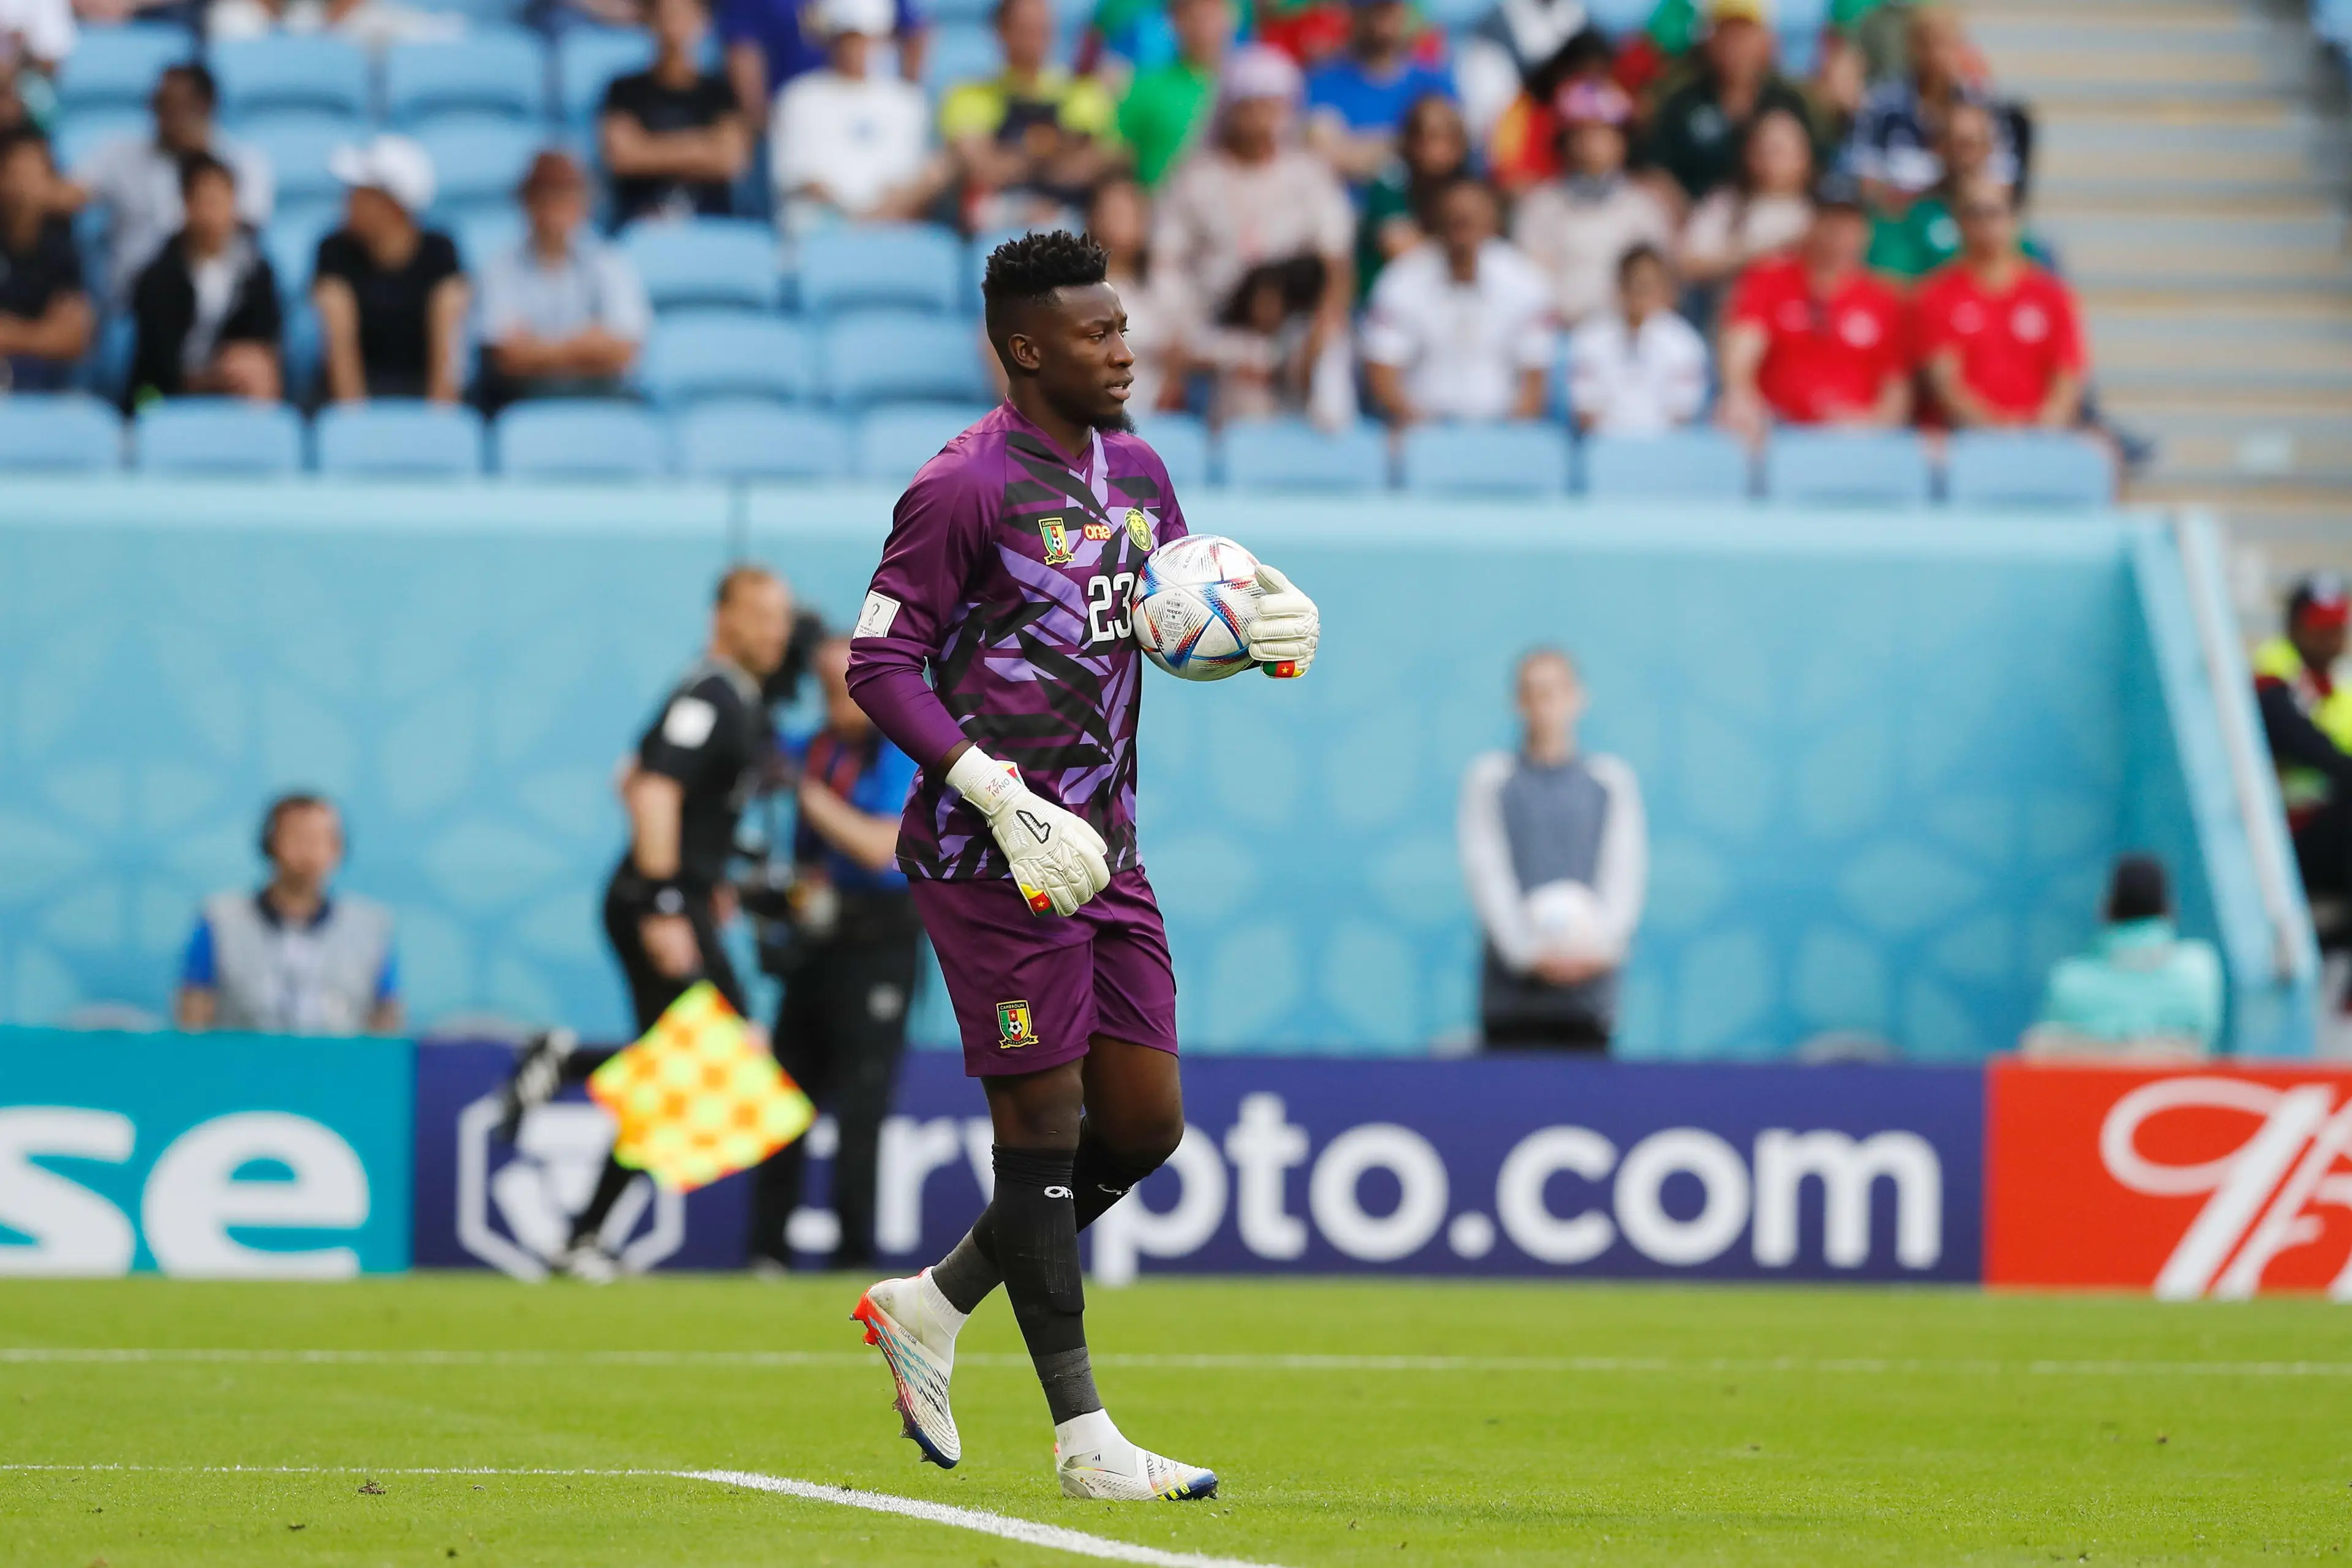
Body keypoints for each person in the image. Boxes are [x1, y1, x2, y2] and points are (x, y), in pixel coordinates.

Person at [842, 230, 1321, 1498]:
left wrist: (1255, 628)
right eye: (1099, 333)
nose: (1125, 349)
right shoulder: (962, 486)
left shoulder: (1140, 470)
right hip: (987, 846)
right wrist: (996, 793)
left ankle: (935, 1306)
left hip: (1105, 841)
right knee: (1044, 1126)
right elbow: (879, 664)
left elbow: (1159, 618)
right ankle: (1083, 1437)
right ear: (1024, 348)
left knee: (1144, 1124)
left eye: (1122, 326)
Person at [519, 565, 797, 1281]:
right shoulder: (710, 692)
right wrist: (667, 897)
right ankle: (566, 1073)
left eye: (781, 616)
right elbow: (651, 788)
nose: (776, 630)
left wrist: (707, 872)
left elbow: (634, 776)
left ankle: (582, 1223)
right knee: (714, 1060)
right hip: (659, 901)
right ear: (724, 618)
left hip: (679, 894)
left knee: (684, 1067)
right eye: (762, 615)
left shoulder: (725, 694)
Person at [745, 636, 922, 1273]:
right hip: (814, 945)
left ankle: (852, 1258)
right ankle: (765, 1253)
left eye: (846, 684)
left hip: (881, 943)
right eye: (824, 686)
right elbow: (750, 764)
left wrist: (806, 794)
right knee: (782, 1098)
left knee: (861, 1107)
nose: (833, 698)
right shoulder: (810, 746)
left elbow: (881, 848)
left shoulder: (904, 750)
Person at [1152, 46, 1356, 428]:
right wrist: (1183, 335)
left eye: (1272, 105)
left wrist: (1323, 326)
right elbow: (1168, 264)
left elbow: (1336, 263)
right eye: (1251, 105)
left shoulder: (1310, 175)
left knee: (1332, 358)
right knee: (1244, 402)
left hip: (1296, 324)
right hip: (1217, 326)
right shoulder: (1194, 178)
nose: (1262, 117)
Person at [1458, 647, 1646, 1050]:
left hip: (1589, 995)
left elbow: (1624, 873)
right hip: (1511, 998)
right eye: (1533, 692)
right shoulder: (1490, 779)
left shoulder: (1610, 780)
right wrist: (1527, 953)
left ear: (1578, 698)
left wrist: (1598, 948)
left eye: (1556, 691)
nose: (1545, 705)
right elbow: (1487, 872)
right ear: (1518, 702)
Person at [175, 793, 402, 1036]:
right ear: (270, 844)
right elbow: (193, 1021)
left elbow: (386, 1025)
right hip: (242, 1069)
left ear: (338, 849)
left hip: (338, 1070)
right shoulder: (220, 921)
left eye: (321, 839)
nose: (309, 850)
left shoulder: (372, 928)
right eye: (298, 838)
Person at [1716, 174, 1909, 443]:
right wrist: (1740, 395)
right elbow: (1743, 346)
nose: (1838, 231)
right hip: (1780, 432)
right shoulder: (1769, 280)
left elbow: (1896, 387)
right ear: (1812, 222)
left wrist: (1871, 426)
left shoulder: (1883, 300)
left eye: (1848, 221)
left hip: (1855, 439)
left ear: (1865, 229)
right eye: (1829, 218)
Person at [62, 63, 274, 304]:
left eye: (173, 105)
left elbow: (246, 226)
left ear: (205, 106)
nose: (160, 115)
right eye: (157, 103)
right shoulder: (120, 154)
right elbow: (67, 196)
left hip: (218, 298)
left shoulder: (243, 163)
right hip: (134, 297)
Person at [1360, 176, 1551, 426]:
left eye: (1472, 219)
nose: (1463, 228)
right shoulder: (1401, 280)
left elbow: (1534, 380)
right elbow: (1383, 371)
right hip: (1422, 429)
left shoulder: (1526, 281)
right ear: (1437, 221)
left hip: (1502, 429)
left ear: (1493, 221)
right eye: (1456, 220)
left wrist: (1508, 440)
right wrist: (1423, 435)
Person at [478, 151, 651, 410]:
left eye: (566, 195)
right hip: (524, 401)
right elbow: (506, 358)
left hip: (601, 398)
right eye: (545, 196)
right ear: (527, 202)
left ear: (585, 202)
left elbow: (625, 351)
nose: (554, 208)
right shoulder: (498, 268)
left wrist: (538, 349)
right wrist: (586, 344)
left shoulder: (609, 262)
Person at [1913, 176, 2086, 433]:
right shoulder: (1937, 294)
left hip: (2040, 434)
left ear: (2014, 219)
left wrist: (2046, 422)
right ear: (1959, 222)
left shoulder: (2051, 295)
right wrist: (1996, 428)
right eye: (1973, 213)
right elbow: (1945, 383)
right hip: (1967, 437)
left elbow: (2067, 375)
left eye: (1993, 212)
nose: (1984, 224)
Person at [940, 0, 1121, 233]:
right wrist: (1053, 149)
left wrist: (1020, 153)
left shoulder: (1082, 94)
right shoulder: (969, 95)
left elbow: (1094, 163)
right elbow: (983, 169)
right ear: (1001, 32)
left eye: (1043, 29)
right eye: (1025, 29)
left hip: (1071, 214)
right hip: (1001, 219)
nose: (1036, 38)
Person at [768, 0, 942, 237]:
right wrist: (858, 217)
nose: (855, 48)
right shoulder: (798, 98)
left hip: (893, 231)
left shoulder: (909, 103)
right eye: (846, 38)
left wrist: (879, 213)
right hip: (821, 233)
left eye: (864, 38)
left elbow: (917, 182)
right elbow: (801, 179)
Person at [314, 135, 466, 404]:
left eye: (358, 192)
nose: (347, 201)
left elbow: (448, 351)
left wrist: (440, 429)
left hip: (420, 391)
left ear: (393, 206)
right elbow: (338, 342)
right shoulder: (333, 249)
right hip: (352, 397)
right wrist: (354, 430)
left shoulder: (441, 252)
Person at [2022, 855, 2220, 1060]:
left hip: (2088, 1090)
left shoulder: (2069, 980)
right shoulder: (2200, 968)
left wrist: (2099, 1050)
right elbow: (2199, 1043)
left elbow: (2041, 1054)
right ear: (2170, 908)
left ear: (2105, 908)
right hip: (2174, 1090)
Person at [1511, 78, 1673, 330]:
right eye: (1581, 133)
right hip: (1559, 338)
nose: (1591, 144)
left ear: (1621, 141)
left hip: (1625, 340)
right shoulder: (1541, 206)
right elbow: (1528, 282)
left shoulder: (1644, 209)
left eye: (1602, 132)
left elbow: (1657, 285)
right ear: (1565, 142)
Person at [126, 151, 282, 407]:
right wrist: (211, 378)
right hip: (160, 396)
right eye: (205, 201)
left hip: (234, 389)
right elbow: (158, 363)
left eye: (221, 200)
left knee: (256, 370)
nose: (213, 213)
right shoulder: (158, 277)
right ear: (186, 206)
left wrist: (235, 368)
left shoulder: (257, 272)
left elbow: (266, 340)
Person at [1642, 0, 1823, 205]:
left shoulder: (1791, 101)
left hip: (1777, 216)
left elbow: (1820, 167)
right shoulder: (1682, 101)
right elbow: (1653, 168)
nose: (1737, 46)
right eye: (1728, 34)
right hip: (1694, 219)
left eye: (1745, 34)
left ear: (1767, 40)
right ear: (1710, 41)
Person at [1846, 3, 2015, 210]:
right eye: (1926, 43)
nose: (1936, 54)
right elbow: (1863, 174)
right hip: (1900, 220)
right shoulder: (1881, 103)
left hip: (1963, 216)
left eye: (1945, 43)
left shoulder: (1981, 101)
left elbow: (2002, 176)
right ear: (1910, 46)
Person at [601, 0, 752, 227]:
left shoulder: (721, 92)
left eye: (684, 15)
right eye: (666, 15)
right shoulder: (623, 89)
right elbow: (623, 157)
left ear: (703, 23)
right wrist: (703, 147)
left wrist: (649, 148)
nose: (674, 26)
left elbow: (732, 160)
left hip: (713, 222)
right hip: (641, 220)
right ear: (650, 22)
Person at [2254, 573, 2352, 905]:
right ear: (2294, 627)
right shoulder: (2272, 678)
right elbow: (2309, 748)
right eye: (2320, 626)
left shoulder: (2341, 684)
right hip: (2283, 832)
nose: (2331, 636)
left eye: (2337, 625)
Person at [1302, 0, 1455, 186]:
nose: (1384, 21)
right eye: (1375, 10)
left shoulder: (1434, 80)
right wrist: (1404, 143)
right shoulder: (1324, 82)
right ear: (1355, 15)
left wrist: (1358, 147)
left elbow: (1449, 151)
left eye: (1390, 9)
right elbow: (1323, 156)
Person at [1565, 243, 1709, 435]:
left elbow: (1682, 417)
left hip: (1664, 451)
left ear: (1666, 290)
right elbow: (1586, 415)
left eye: (1650, 286)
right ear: (1620, 287)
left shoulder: (1685, 344)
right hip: (1606, 450)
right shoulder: (1588, 339)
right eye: (1636, 285)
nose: (1641, 295)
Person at [723, 0, 924, 135]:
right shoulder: (797, 102)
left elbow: (915, 32)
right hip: (793, 120)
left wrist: (902, 101)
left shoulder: (894, 104)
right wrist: (762, 125)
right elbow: (743, 48)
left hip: (868, 111)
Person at [1676, 104, 1813, 293]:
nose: (1768, 160)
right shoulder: (1725, 205)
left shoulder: (1818, 217)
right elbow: (1688, 264)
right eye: (1761, 149)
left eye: (1778, 151)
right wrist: (1755, 256)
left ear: (1803, 158)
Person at [1355, 90, 1469, 298]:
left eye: (1449, 138)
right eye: (1431, 137)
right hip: (1387, 301)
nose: (1439, 149)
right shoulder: (1391, 181)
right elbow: (1404, 252)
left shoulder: (1466, 185)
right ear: (1412, 141)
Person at [0, 130, 89, 392]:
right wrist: (41, 333)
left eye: (32, 174)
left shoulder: (62, 249)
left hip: (43, 387)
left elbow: (74, 339)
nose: (23, 187)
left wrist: (10, 334)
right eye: (15, 173)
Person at [1114, 0, 1231, 190]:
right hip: (1159, 210)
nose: (1204, 26)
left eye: (1212, 14)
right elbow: (1116, 154)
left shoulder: (1248, 86)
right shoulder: (1146, 87)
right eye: (1194, 16)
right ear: (1176, 21)